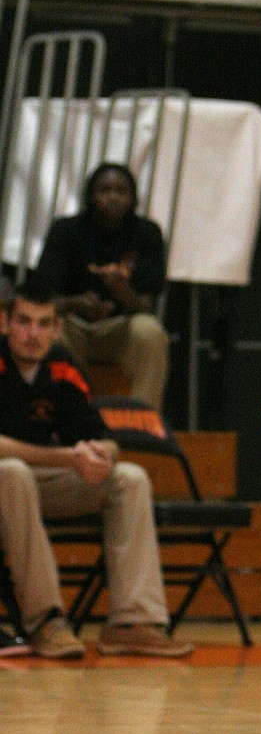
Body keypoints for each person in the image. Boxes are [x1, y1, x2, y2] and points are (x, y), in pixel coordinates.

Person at [0, 280, 193, 659]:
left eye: (43, 324)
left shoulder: (61, 365)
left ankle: (132, 622)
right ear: (4, 323)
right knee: (12, 471)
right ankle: (45, 621)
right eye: (24, 322)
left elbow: (101, 435)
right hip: (9, 483)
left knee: (129, 478)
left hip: (43, 482)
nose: (33, 334)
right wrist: (68, 458)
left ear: (56, 329)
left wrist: (99, 454)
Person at [35, 162, 171, 411]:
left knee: (150, 332)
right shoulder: (66, 230)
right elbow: (43, 299)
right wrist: (77, 303)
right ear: (91, 196)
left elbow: (147, 305)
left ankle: (142, 422)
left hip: (121, 327)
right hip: (74, 325)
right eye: (105, 190)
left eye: (122, 191)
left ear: (132, 198)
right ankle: (60, 419)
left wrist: (124, 293)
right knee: (49, 328)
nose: (113, 198)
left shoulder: (147, 233)